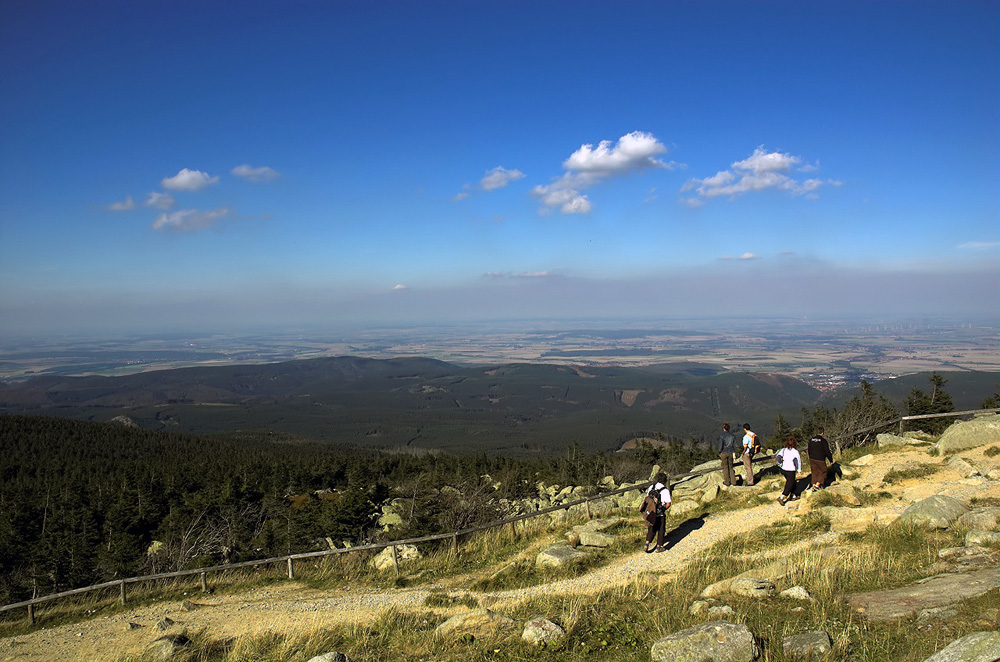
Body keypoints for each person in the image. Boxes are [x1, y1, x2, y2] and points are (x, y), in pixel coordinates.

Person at [640, 472, 672, 553]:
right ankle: (659, 547)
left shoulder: (651, 487)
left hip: (651, 512)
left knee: (651, 528)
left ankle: (647, 544)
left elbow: (647, 498)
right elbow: (668, 503)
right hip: (660, 513)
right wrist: (663, 509)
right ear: (665, 481)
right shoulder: (665, 490)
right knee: (661, 529)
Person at [775, 437, 802, 505]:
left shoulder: (783, 450)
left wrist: (780, 463)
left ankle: (794, 495)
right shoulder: (795, 452)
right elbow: (797, 462)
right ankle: (782, 497)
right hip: (791, 469)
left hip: (784, 469)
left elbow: (777, 457)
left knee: (792, 482)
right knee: (789, 484)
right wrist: (799, 470)